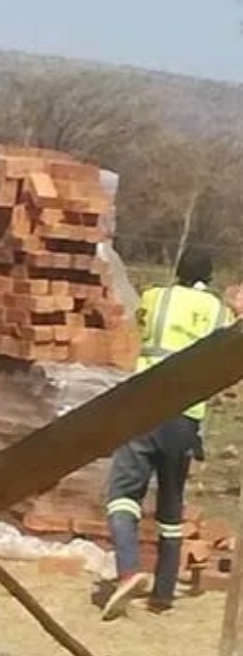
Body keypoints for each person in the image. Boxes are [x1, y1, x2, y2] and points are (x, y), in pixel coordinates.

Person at [99, 245, 233, 620]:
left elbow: (138, 330)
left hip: (146, 409)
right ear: (209, 277)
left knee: (122, 496)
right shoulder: (218, 313)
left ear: (178, 270)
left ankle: (128, 570)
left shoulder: (155, 298)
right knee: (171, 509)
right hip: (186, 419)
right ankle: (163, 594)